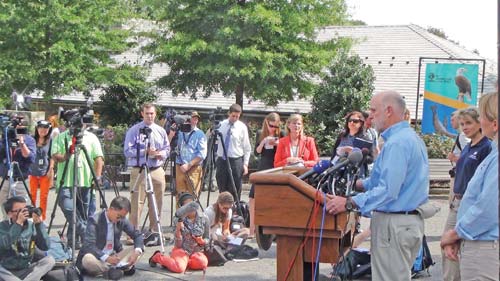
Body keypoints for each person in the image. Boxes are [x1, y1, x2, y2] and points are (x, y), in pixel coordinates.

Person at [326, 90, 429, 281]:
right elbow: (381, 181)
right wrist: (357, 184)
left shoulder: (398, 143)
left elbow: (389, 190)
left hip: (395, 225)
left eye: (373, 110)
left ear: (389, 110)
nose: (369, 116)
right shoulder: (408, 138)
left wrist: (349, 202)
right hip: (402, 224)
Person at [440, 92, 499, 281]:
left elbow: (488, 208)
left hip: (485, 245)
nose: (480, 121)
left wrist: (457, 233)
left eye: (480, 116)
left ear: (495, 124)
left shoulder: (492, 154)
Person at [124, 103, 170, 246]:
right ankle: (133, 233)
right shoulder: (134, 130)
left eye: (152, 113)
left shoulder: (160, 131)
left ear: (155, 114)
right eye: (147, 113)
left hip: (156, 169)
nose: (149, 116)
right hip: (139, 170)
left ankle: (154, 231)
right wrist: (145, 152)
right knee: (137, 202)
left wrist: (159, 154)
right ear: (142, 114)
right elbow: (127, 151)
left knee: (157, 201)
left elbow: (167, 148)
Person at [51, 125, 104, 249]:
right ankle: (86, 233)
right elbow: (55, 156)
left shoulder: (91, 137)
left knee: (82, 213)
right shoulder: (60, 137)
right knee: (69, 208)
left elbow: (99, 158)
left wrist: (98, 176)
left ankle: (73, 242)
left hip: (85, 182)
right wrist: (66, 155)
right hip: (65, 182)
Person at [76, 196, 143, 280]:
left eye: (122, 217)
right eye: (118, 216)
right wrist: (107, 258)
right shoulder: (94, 220)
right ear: (111, 209)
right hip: (98, 257)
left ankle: (115, 269)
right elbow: (89, 245)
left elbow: (137, 235)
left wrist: (136, 252)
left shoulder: (122, 220)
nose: (120, 219)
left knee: (138, 248)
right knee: (88, 260)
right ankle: (114, 269)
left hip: (115, 257)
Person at [0, 196, 55, 281]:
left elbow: (45, 246)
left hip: (26, 269)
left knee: (50, 260)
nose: (24, 213)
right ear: (9, 214)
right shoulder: (3, 227)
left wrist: (39, 225)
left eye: (25, 209)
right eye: (20, 211)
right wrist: (18, 225)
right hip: (7, 270)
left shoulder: (31, 226)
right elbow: (3, 245)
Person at [149, 198, 209, 273]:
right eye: (187, 206)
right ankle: (157, 257)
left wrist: (202, 241)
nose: (191, 208)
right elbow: (178, 243)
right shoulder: (177, 219)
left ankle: (179, 262)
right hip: (181, 250)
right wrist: (178, 229)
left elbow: (207, 238)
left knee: (202, 263)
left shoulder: (204, 218)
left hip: (196, 251)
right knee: (179, 268)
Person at [249, 112, 282, 237]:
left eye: (275, 126)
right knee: (253, 198)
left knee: (273, 199)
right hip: (263, 166)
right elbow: (256, 153)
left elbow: (284, 150)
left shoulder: (281, 134)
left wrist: (277, 144)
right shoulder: (260, 133)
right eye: (271, 126)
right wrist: (263, 142)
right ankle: (252, 229)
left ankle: (273, 230)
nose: (273, 129)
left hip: (275, 167)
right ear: (266, 123)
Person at [215, 104, 252, 202]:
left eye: (237, 116)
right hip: (222, 160)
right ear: (229, 113)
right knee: (222, 188)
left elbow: (247, 147)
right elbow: (214, 140)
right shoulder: (221, 124)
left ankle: (235, 212)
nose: (235, 118)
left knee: (235, 189)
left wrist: (245, 164)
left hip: (235, 161)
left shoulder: (242, 127)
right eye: (233, 116)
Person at [0, 115, 36, 213]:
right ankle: (7, 227)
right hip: (5, 180)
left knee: (22, 211)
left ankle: (20, 227)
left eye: (21, 128)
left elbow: (30, 158)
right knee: (6, 211)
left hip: (21, 181)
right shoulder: (6, 139)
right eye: (16, 127)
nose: (18, 130)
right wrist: (4, 139)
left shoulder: (29, 140)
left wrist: (22, 143)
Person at [175, 111, 207, 202]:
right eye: (192, 118)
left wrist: (189, 165)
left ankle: (192, 216)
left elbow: (202, 154)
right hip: (180, 167)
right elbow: (174, 146)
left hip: (194, 168)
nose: (194, 121)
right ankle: (179, 216)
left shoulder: (200, 134)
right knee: (180, 195)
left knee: (192, 196)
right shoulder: (181, 131)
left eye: (196, 119)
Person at [331, 111, 373, 177]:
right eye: (350, 120)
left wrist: (355, 153)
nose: (352, 123)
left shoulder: (365, 138)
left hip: (356, 175)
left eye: (355, 121)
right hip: (338, 173)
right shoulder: (342, 136)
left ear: (361, 123)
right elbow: (333, 154)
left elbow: (370, 159)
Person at [28, 120, 54, 221]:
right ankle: (32, 217)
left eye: (46, 128)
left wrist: (50, 170)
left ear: (49, 130)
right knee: (32, 195)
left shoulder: (51, 140)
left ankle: (42, 218)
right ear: (37, 129)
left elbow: (52, 156)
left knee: (44, 196)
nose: (43, 130)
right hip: (32, 172)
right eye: (41, 128)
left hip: (45, 172)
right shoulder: (31, 139)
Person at [446, 110, 470, 203]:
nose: (451, 122)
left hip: (458, 175)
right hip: (459, 174)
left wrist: (454, 158)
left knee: (454, 205)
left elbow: (468, 156)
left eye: (453, 120)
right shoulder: (462, 135)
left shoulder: (463, 136)